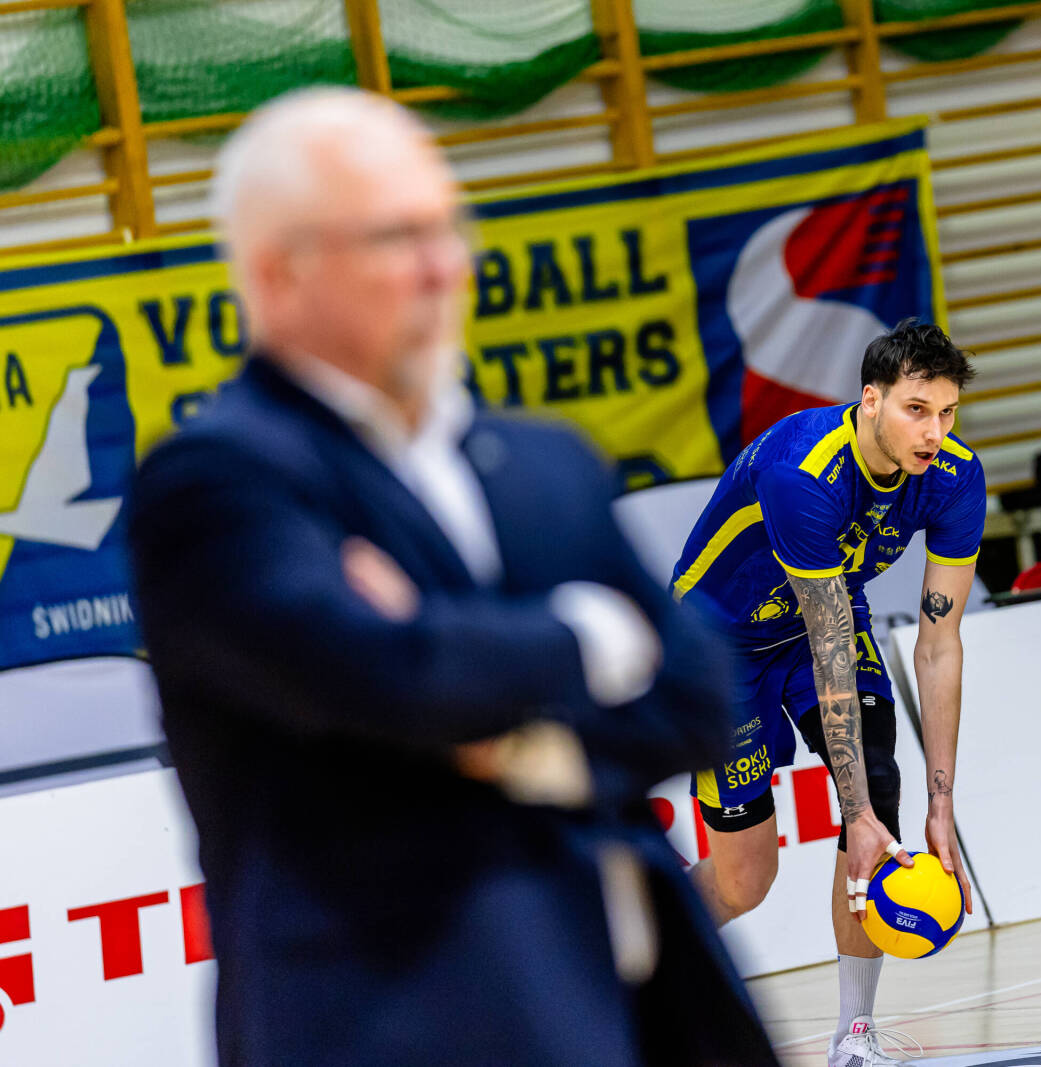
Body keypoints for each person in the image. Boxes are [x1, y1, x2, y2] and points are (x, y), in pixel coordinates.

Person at [128, 87, 777, 1067]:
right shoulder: (219, 481)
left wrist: (507, 736)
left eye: (447, 227)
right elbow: (389, 677)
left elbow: (696, 698)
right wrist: (592, 636)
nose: (443, 266)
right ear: (277, 271)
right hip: (392, 1023)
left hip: (640, 1014)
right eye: (396, 237)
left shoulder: (546, 460)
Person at [670, 320, 984, 1067]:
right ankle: (625, 961)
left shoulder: (954, 477)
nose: (935, 432)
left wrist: (942, 804)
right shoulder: (804, 473)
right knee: (746, 881)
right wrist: (856, 812)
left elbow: (939, 644)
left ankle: (854, 1036)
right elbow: (829, 644)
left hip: (829, 619)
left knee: (880, 784)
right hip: (721, 647)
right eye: (916, 409)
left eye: (947, 413)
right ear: (870, 400)